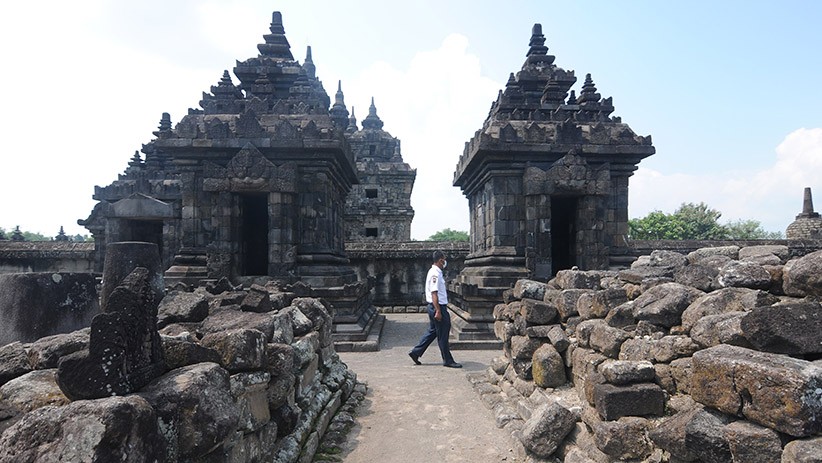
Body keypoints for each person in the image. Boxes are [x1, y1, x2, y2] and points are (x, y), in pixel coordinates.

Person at [408, 250, 462, 368]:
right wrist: (438, 310)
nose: (445, 262)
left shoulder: (435, 272)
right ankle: (448, 360)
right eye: (444, 260)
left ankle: (416, 352)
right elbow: (434, 293)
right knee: (443, 333)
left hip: (436, 306)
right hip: (438, 306)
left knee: (433, 332)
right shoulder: (435, 274)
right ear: (440, 260)